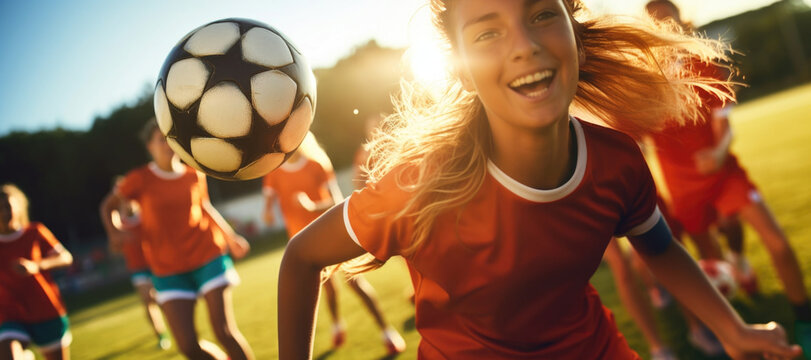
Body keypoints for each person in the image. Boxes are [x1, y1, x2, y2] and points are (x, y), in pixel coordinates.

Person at [277, 0, 803, 359]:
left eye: (541, 14)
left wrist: (732, 328)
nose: (523, 45)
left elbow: (659, 247)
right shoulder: (421, 187)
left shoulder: (616, 162)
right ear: (459, 69)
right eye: (487, 31)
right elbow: (301, 256)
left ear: (574, 29)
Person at [645, 0, 811, 357]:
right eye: (656, 23)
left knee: (778, 244)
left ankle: (805, 322)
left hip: (724, 175)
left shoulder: (703, 66)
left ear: (682, 23)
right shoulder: (643, 85)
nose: (666, 29)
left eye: (670, 21)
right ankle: (737, 325)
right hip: (683, 189)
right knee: (710, 264)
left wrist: (718, 154)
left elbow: (724, 124)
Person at [100, 119, 253, 360]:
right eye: (161, 140)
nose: (167, 145)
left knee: (224, 332)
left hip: (207, 255)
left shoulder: (194, 174)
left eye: (171, 139)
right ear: (149, 147)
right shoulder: (139, 179)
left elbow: (205, 207)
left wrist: (231, 237)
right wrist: (115, 231)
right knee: (188, 347)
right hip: (167, 267)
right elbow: (108, 206)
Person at [263, 132, 406, 355]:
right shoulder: (274, 172)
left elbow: (337, 202)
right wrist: (268, 212)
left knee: (355, 282)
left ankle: (387, 331)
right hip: (303, 247)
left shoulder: (317, 164)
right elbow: (269, 201)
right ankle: (338, 324)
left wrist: (312, 206)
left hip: (332, 237)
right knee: (327, 290)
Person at [0, 184, 73, 360]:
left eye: (8, 207)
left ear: (18, 207)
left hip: (45, 308)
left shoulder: (35, 232)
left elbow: (65, 258)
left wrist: (36, 266)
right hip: (10, 314)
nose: (4, 213)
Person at [100, 178, 170, 350]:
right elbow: (114, 249)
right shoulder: (116, 220)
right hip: (137, 267)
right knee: (148, 300)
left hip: (157, 263)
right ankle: (160, 335)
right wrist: (117, 239)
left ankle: (176, 327)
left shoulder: (146, 211)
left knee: (165, 300)